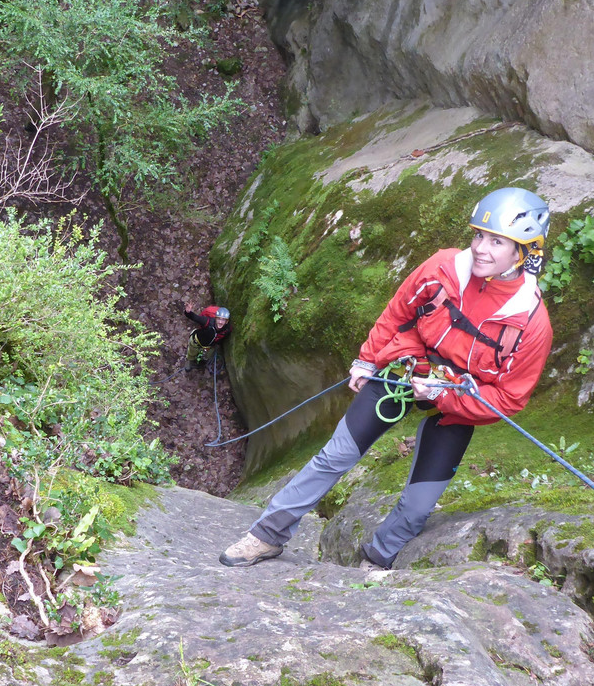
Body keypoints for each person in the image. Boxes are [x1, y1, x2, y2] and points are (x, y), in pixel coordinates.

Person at [219, 187, 554, 570]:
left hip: (456, 400)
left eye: (497, 241)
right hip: (404, 369)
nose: (481, 248)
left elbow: (509, 398)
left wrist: (445, 396)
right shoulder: (444, 268)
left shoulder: (529, 320)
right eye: (479, 234)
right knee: (336, 456)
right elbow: (398, 312)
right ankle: (266, 535)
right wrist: (366, 360)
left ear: (523, 251)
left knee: (418, 504)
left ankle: (377, 558)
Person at [184, 303, 232, 371]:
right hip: (197, 341)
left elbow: (222, 337)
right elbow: (195, 318)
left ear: (226, 321)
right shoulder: (207, 321)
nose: (220, 322)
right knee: (192, 353)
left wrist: (217, 344)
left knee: (207, 356)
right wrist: (188, 312)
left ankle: (202, 361)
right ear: (215, 319)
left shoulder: (227, 329)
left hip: (210, 346)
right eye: (219, 319)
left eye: (223, 320)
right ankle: (189, 361)